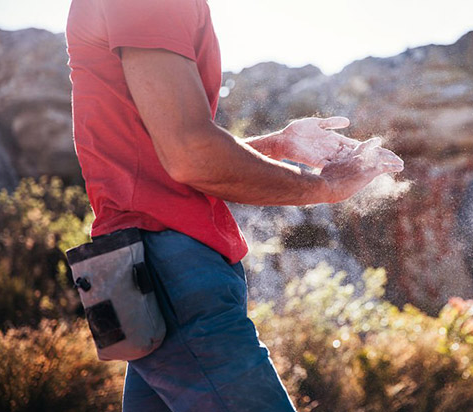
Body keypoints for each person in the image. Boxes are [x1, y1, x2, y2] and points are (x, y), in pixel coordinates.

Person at [66, 0, 403, 410]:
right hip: (171, 271)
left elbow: (166, 157)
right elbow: (190, 155)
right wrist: (328, 185)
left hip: (141, 271)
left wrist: (277, 146)